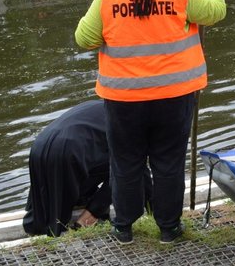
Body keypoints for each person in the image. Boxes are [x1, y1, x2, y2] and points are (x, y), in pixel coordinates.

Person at [75, 0, 227, 244]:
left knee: (125, 164)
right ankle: (169, 228)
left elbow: (84, 38)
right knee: (168, 164)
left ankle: (124, 227)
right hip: (174, 98)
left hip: (124, 101)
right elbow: (217, 11)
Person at [22, 100, 152, 237]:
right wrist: (153, 209)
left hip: (39, 146)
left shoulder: (105, 106)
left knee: (46, 215)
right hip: (69, 150)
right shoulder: (135, 122)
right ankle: (85, 220)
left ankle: (36, 227)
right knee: (129, 169)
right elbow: (135, 170)